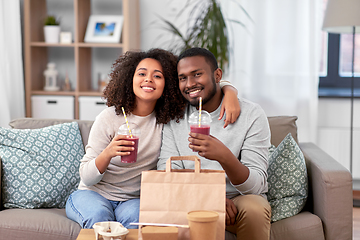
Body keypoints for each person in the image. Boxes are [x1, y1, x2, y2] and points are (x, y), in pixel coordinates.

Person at [65, 48, 240, 229]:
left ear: (168, 84)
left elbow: (205, 86)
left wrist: (230, 92)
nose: (148, 79)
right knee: (100, 217)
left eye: (157, 76)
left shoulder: (168, 120)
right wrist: (108, 152)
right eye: (141, 73)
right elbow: (86, 177)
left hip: (132, 200)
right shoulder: (109, 117)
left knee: (140, 222)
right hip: (93, 194)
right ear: (129, 79)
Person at [157, 47, 272, 240]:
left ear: (217, 75)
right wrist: (209, 197)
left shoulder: (251, 115)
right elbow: (167, 173)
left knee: (255, 209)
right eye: (183, 77)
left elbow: (256, 187)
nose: (190, 83)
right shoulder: (175, 117)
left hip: (238, 200)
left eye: (197, 74)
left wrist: (224, 156)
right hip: (190, 196)